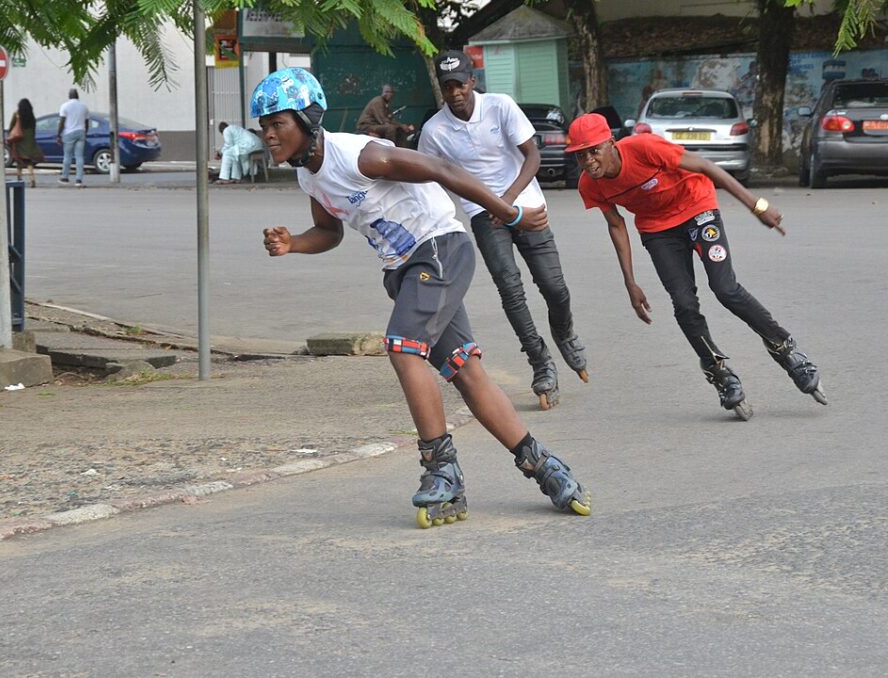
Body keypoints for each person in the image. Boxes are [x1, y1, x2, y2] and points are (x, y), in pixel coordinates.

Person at [252, 68, 591, 526]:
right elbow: (329, 232)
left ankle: (442, 469)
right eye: (264, 126)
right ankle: (547, 468)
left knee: (403, 347)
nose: (269, 134)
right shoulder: (309, 177)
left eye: (278, 124)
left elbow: (444, 170)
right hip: (406, 271)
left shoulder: (361, 156)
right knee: (467, 373)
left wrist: (508, 212)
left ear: (309, 119)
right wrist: (294, 242)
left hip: (438, 250)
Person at [567, 113, 826, 420]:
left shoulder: (644, 147)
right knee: (684, 304)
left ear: (611, 143)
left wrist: (756, 206)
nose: (589, 161)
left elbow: (706, 166)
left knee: (725, 289)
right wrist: (630, 282)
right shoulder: (590, 185)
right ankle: (719, 372)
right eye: (581, 155)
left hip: (697, 207)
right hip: (658, 230)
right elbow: (616, 225)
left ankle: (786, 350)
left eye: (594, 150)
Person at [417, 51, 588, 411]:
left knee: (554, 287)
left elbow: (533, 156)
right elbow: (428, 181)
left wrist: (507, 202)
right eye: (447, 87)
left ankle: (564, 332)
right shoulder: (434, 131)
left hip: (525, 202)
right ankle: (540, 361)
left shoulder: (501, 106)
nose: (455, 93)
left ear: (472, 82)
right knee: (510, 289)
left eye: (460, 85)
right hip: (483, 214)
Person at [7, 98, 44, 188]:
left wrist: (10, 136)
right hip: (29, 139)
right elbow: (34, 128)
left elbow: (11, 127)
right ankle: (32, 179)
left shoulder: (17, 114)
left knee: (19, 160)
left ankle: (19, 179)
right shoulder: (31, 116)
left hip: (19, 140)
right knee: (28, 161)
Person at [56, 88, 89, 188]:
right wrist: (85, 132)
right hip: (81, 132)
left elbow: (62, 121)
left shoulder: (65, 106)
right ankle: (79, 180)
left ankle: (65, 177)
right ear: (77, 95)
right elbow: (87, 122)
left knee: (67, 156)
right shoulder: (84, 107)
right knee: (79, 156)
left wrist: (58, 134)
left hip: (69, 132)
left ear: (69, 96)